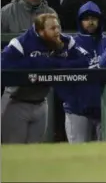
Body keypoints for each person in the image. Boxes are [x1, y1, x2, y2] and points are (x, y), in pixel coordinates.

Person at [1, 13, 90, 144]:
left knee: (34, 152)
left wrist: (55, 63)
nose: (57, 31)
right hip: (16, 102)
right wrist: (34, 63)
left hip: (41, 102)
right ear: (40, 31)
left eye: (58, 27)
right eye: (52, 28)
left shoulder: (65, 41)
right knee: (13, 149)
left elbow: (85, 60)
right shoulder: (21, 43)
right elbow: (3, 65)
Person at [56, 2, 106, 143]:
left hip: (103, 110)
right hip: (77, 110)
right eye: (86, 19)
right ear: (80, 21)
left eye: (94, 18)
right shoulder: (70, 44)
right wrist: (71, 100)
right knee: (78, 155)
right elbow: (59, 77)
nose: (91, 22)